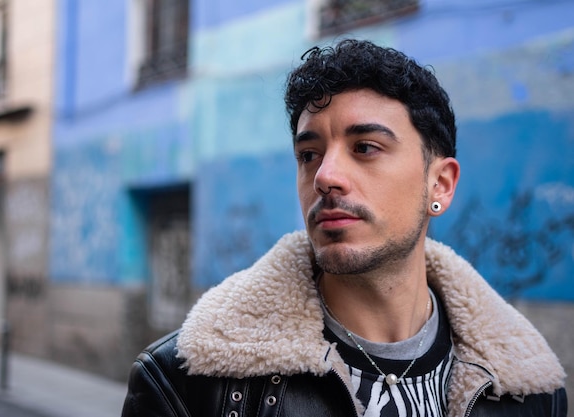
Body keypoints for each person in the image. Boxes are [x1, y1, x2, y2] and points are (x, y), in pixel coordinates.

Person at [121, 39, 567, 417]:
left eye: (366, 147)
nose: (325, 176)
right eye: (309, 154)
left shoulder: (528, 390)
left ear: (441, 184)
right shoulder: (186, 383)